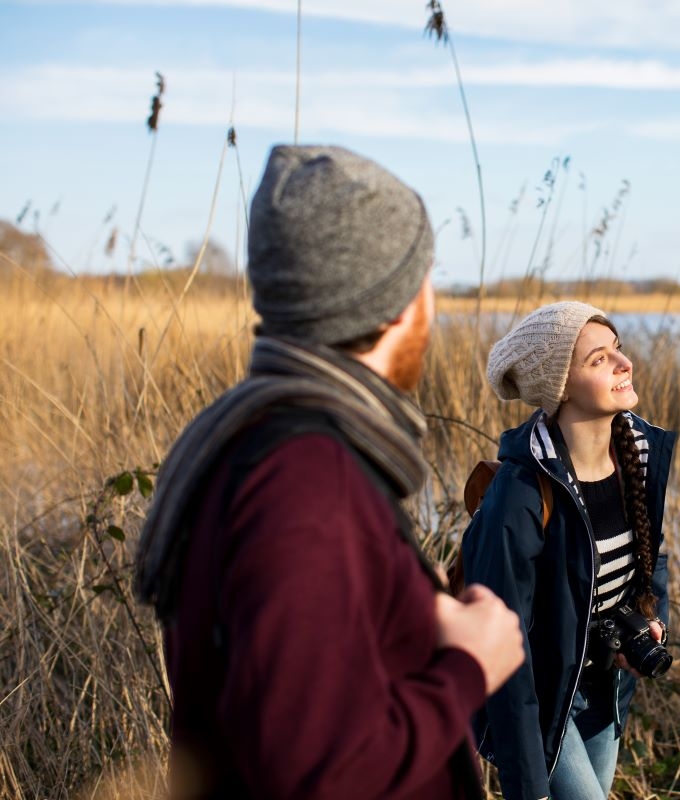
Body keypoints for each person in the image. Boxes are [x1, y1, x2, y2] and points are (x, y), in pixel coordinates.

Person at [133, 144, 525, 799]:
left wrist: (407, 610)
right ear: (398, 302)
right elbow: (319, 774)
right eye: (426, 277)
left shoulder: (254, 438)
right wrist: (469, 665)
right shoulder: (305, 481)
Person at [463, 302, 678, 800]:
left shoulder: (636, 459)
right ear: (560, 387)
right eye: (599, 359)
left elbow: (653, 558)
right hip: (539, 697)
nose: (624, 364)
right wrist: (527, 782)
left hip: (605, 686)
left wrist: (650, 620)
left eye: (617, 350)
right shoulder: (521, 493)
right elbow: (501, 642)